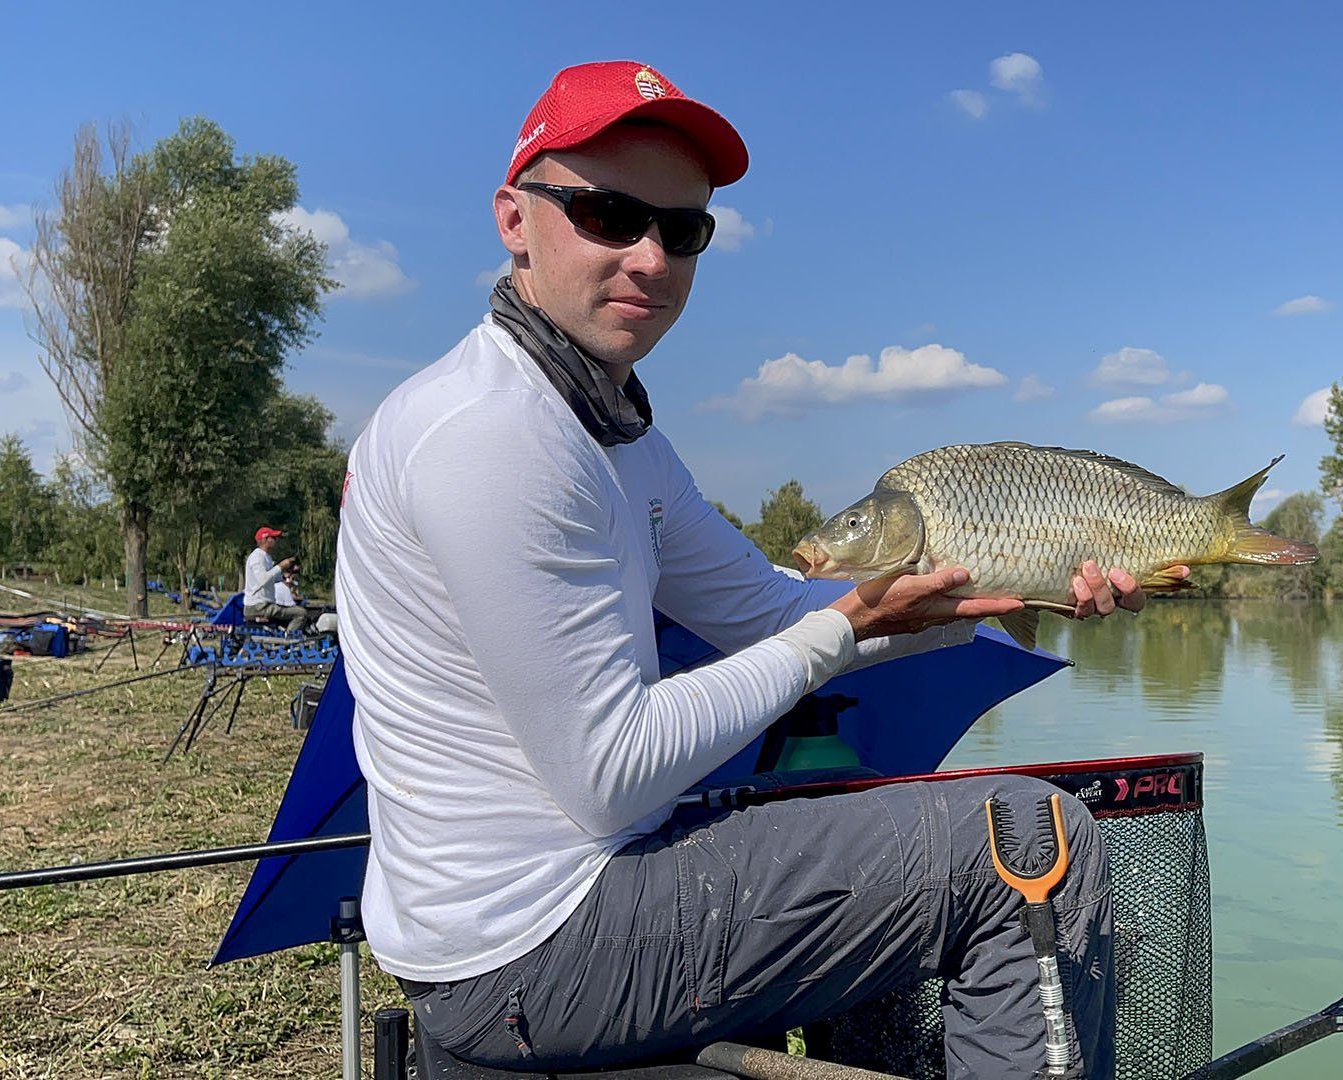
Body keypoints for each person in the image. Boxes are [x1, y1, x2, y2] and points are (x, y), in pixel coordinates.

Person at [335, 61, 1183, 1079]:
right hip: (530, 944)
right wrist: (844, 632)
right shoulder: (492, 433)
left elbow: (768, 609)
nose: (650, 256)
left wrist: (990, 603)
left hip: (563, 902)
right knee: (1030, 842)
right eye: (608, 213)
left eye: (682, 229)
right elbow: (610, 777)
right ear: (514, 217)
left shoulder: (613, 431)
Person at [244, 526, 309, 633]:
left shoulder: (266, 557)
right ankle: (289, 640)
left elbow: (273, 578)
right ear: (264, 540)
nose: (276, 541)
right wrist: (280, 566)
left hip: (264, 605)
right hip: (258, 606)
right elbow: (263, 579)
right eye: (273, 538)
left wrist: (288, 573)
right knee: (301, 613)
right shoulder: (257, 557)